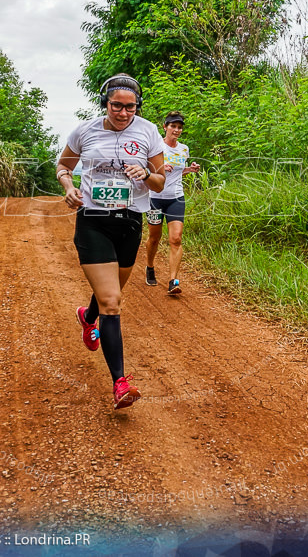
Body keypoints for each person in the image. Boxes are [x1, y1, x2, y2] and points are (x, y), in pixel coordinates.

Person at [55, 73, 165, 409]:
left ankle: (87, 318)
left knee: (110, 294)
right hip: (92, 221)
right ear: (105, 102)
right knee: (113, 303)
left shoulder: (148, 132)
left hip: (130, 222)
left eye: (130, 107)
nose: (123, 112)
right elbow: (63, 165)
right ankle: (120, 383)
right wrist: (69, 187)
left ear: (137, 107)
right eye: (116, 105)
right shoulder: (85, 130)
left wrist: (145, 173)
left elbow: (160, 182)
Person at [144, 111, 200, 294]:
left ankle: (173, 280)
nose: (176, 130)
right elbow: (144, 169)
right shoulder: (156, 146)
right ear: (165, 127)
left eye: (179, 127)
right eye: (173, 126)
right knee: (154, 237)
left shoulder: (184, 149)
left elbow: (177, 172)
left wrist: (189, 170)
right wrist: (159, 167)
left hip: (176, 197)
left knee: (176, 238)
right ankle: (150, 267)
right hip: (155, 197)